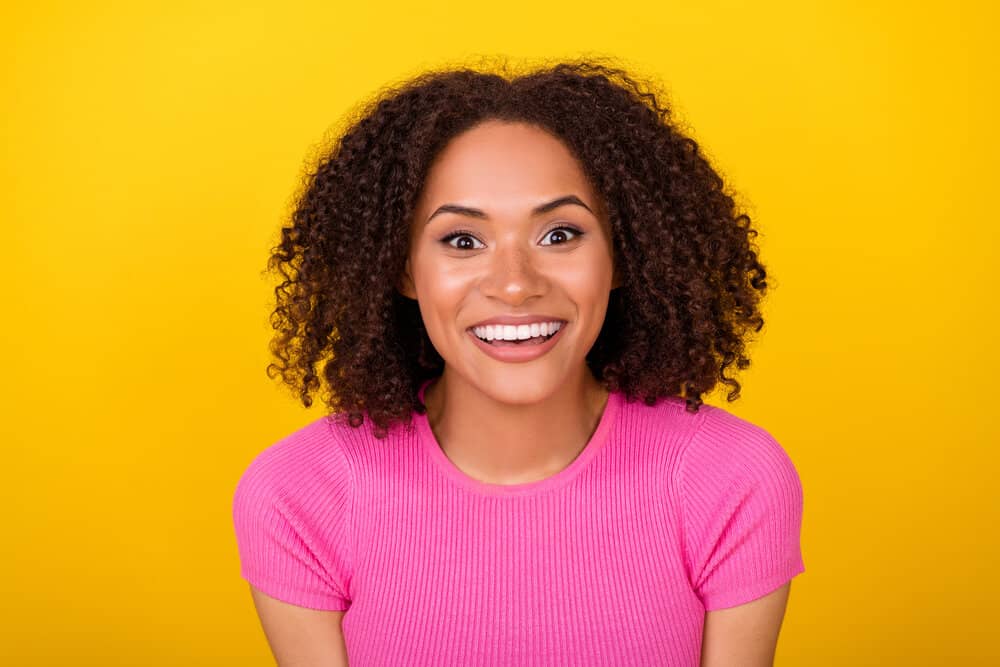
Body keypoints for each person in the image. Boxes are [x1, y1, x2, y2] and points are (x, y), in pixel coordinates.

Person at [232, 59, 805, 666]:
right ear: (402, 269)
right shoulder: (299, 495)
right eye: (462, 241)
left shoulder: (730, 480)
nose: (514, 284)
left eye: (560, 235)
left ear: (622, 256)